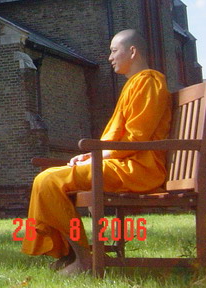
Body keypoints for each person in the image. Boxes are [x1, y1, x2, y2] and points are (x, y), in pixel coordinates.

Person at [22, 29, 172, 274]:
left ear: (132, 51)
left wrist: (98, 155)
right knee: (46, 178)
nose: (110, 57)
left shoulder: (149, 81)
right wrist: (93, 155)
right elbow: (122, 139)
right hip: (121, 162)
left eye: (114, 51)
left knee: (48, 180)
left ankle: (83, 260)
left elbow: (136, 139)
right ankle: (69, 254)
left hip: (138, 169)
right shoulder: (135, 84)